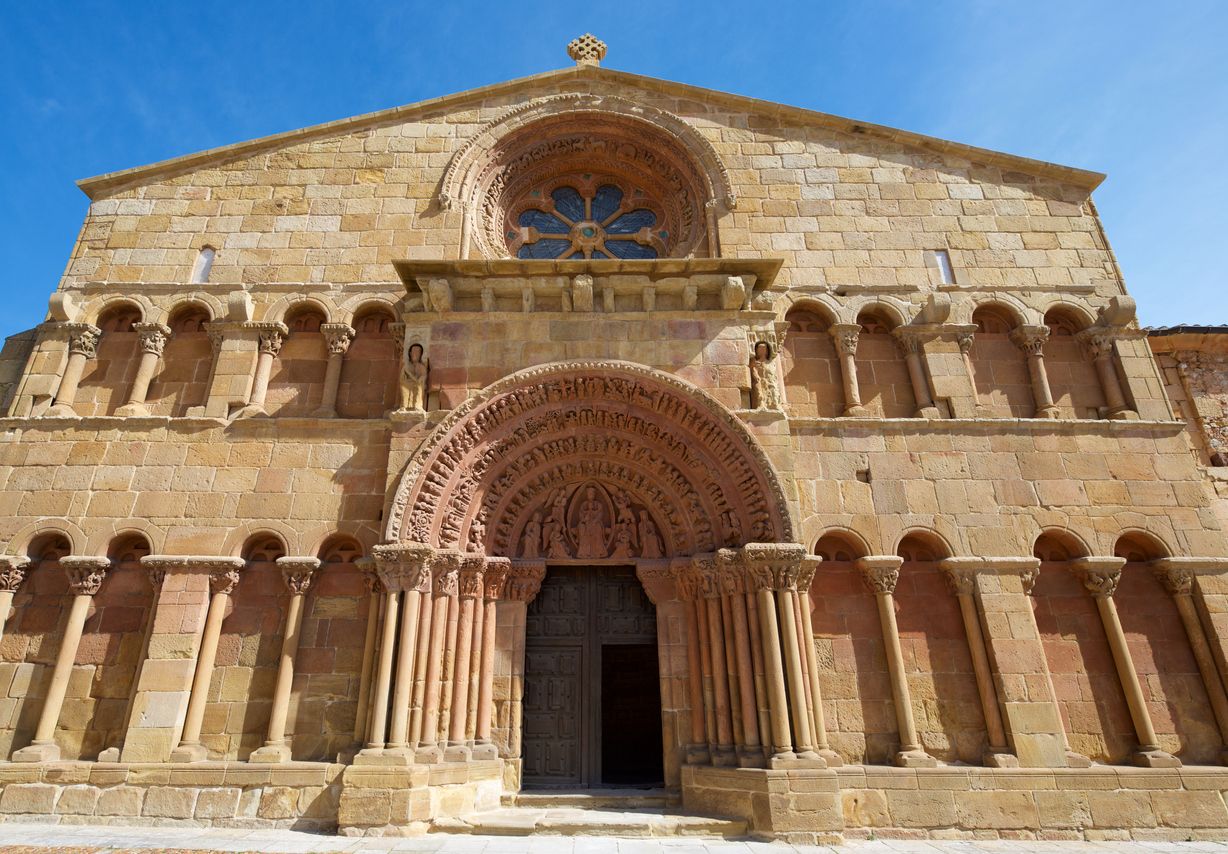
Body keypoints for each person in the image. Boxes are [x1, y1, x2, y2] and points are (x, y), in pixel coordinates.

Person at [400, 343, 429, 411]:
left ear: (421, 354)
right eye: (413, 352)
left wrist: (412, 376)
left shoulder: (421, 366)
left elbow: (423, 377)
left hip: (418, 383)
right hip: (408, 383)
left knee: (419, 386)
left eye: (417, 352)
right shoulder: (407, 366)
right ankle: (404, 406)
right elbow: (402, 377)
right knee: (404, 386)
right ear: (410, 353)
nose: (415, 354)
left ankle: (417, 405)